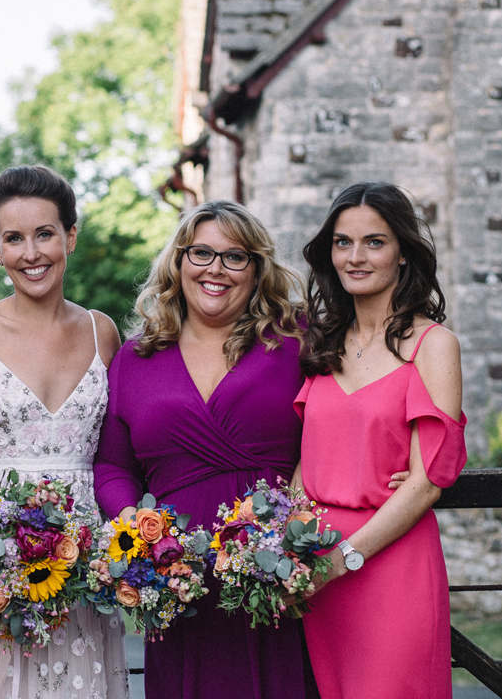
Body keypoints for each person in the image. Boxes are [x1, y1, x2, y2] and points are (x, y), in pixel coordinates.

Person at [0, 165, 130, 699]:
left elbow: (118, 453)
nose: (31, 252)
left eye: (44, 234)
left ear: (70, 237)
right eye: (13, 238)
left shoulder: (102, 331)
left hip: (80, 559)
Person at [93, 199, 311, 699]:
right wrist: (138, 533)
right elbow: (111, 464)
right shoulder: (136, 357)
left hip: (275, 575)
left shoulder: (295, 341)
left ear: (257, 270)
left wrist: (293, 527)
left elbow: (332, 432)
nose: (216, 269)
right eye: (201, 253)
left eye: (235, 257)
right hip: (177, 583)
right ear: (178, 261)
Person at [294, 181, 466, 699]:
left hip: (388, 565)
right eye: (343, 242)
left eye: (374, 242)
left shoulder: (434, 346)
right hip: (315, 572)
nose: (355, 256)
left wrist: (341, 559)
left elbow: (425, 483)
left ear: (403, 254)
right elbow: (308, 460)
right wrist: (293, 545)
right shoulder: (322, 343)